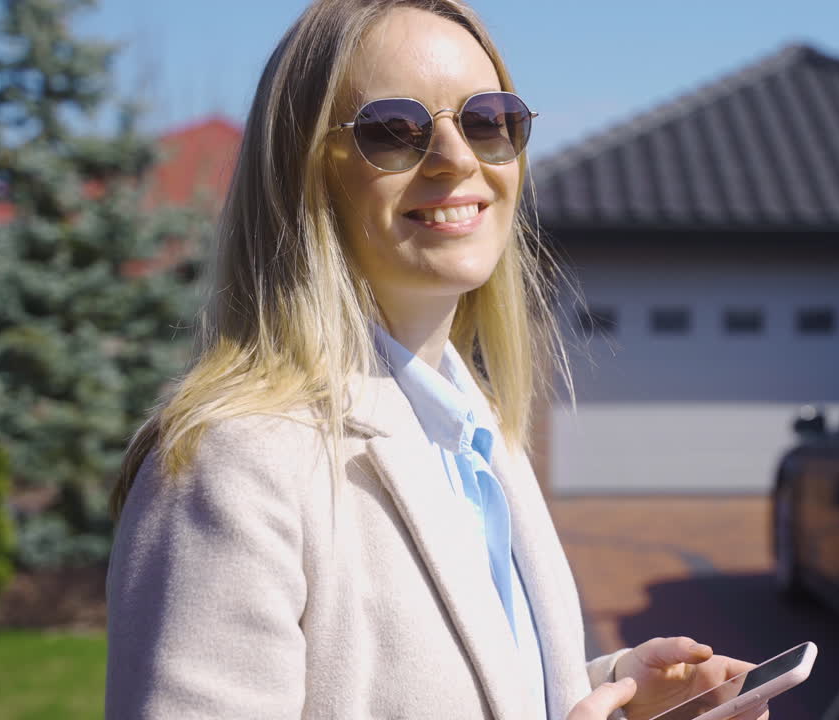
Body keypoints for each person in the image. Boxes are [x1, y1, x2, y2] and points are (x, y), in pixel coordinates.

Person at [103, 2, 769, 719]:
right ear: (303, 172)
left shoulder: (477, 429)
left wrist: (615, 687)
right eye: (394, 131)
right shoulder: (233, 464)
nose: (458, 159)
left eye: (489, 121)